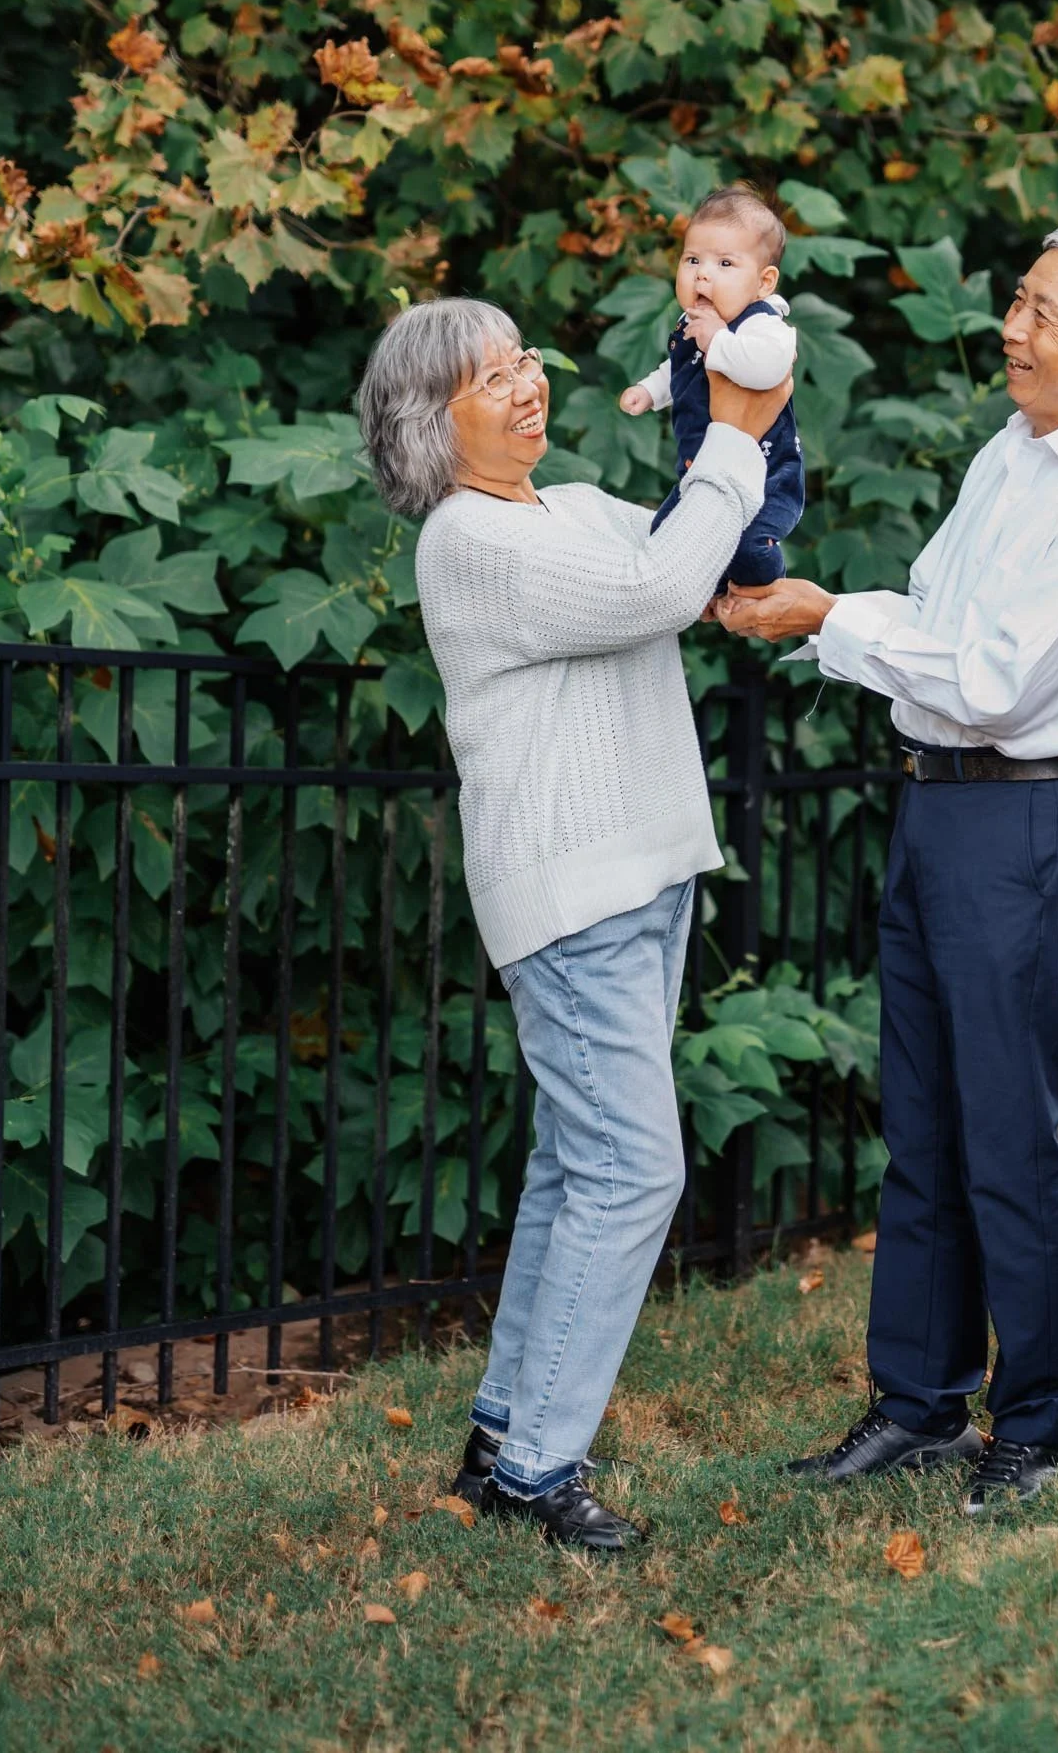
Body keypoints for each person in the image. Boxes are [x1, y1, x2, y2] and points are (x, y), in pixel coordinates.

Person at [717, 219, 1058, 1515]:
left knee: (1006, 1138)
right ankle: (919, 1404)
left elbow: (991, 680)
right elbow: (938, 614)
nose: (1014, 328)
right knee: (922, 1130)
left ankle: (1040, 1423)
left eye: (1044, 313)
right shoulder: (1010, 451)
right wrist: (838, 620)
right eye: (1018, 302)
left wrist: (829, 617)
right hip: (939, 810)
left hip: (1028, 823)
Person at [357, 297, 789, 1553]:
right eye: (491, 379)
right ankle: (537, 1473)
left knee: (574, 1163)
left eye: (523, 360)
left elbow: (688, 557)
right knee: (631, 1169)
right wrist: (738, 438)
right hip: (575, 894)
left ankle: (504, 1427)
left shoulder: (573, 510)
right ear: (430, 426)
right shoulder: (468, 540)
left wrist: (734, 377)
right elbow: (659, 583)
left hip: (643, 876)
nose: (526, 385)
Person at [621, 182, 803, 589]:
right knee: (666, 537)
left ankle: (767, 590)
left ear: (764, 282)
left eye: (725, 264)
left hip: (766, 475)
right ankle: (708, 594)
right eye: (692, 260)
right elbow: (679, 367)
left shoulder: (763, 324)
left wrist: (719, 340)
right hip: (700, 471)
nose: (702, 273)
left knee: (748, 547)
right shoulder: (693, 325)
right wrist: (651, 390)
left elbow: (768, 371)